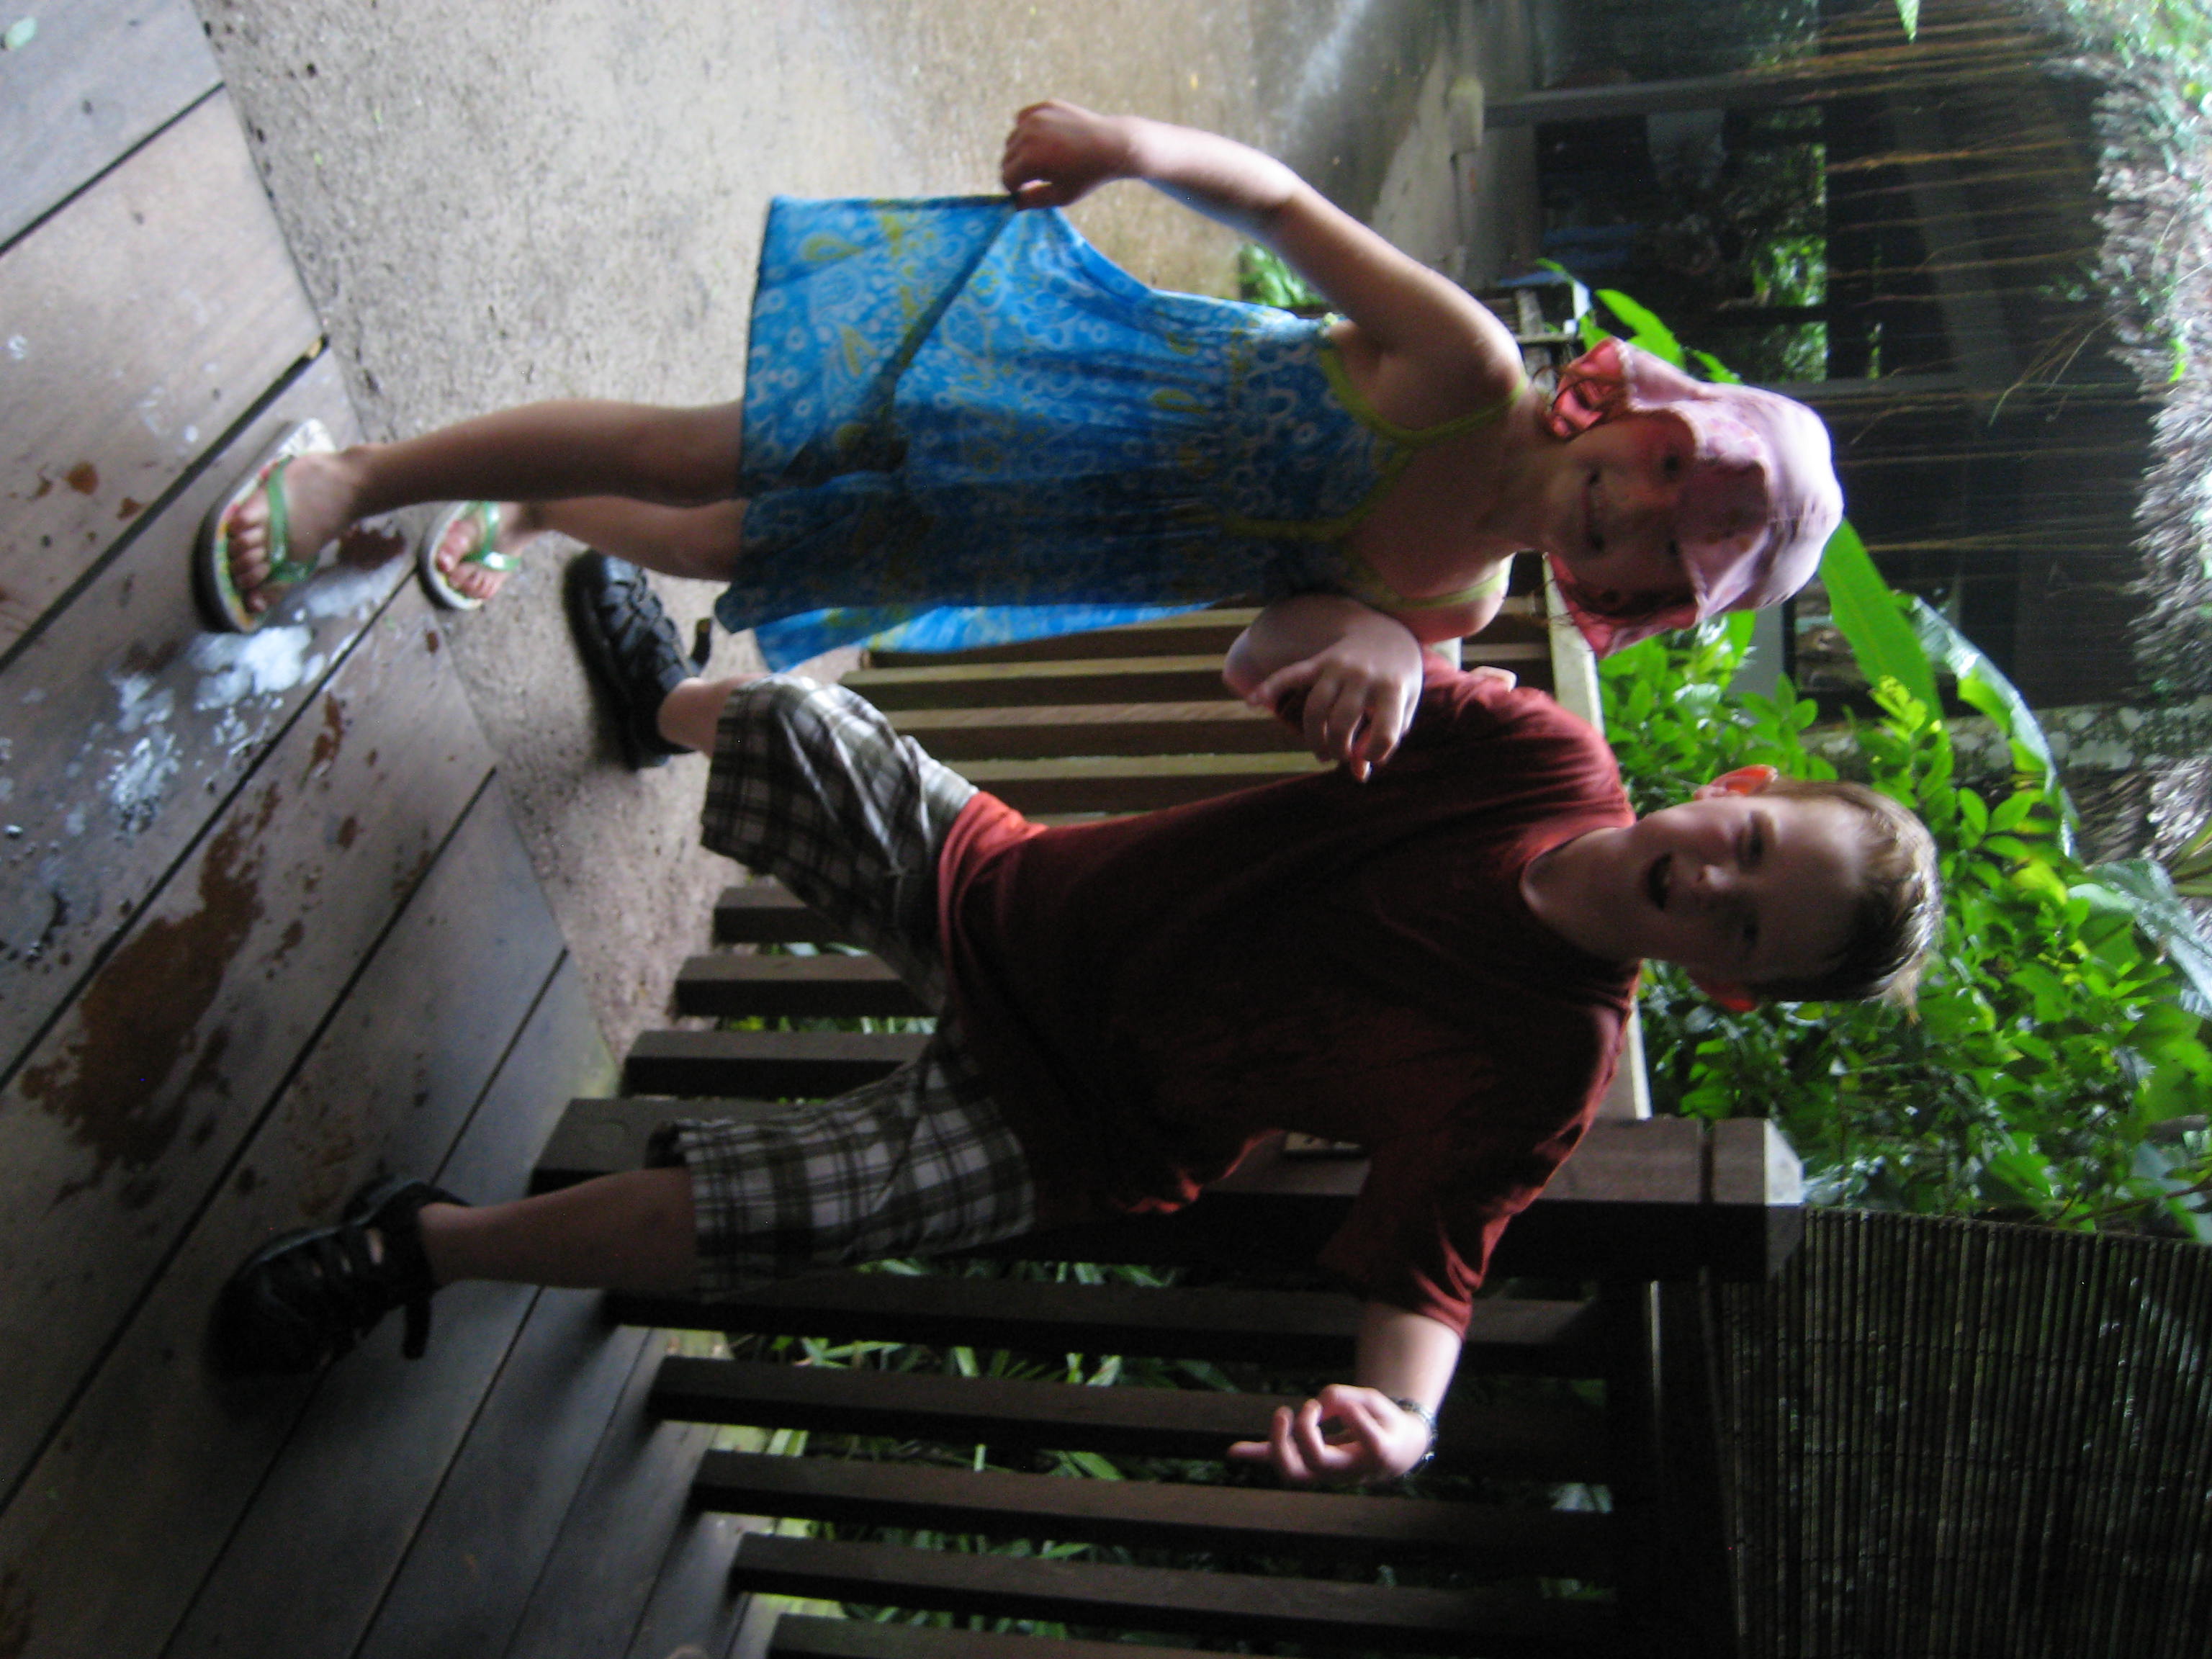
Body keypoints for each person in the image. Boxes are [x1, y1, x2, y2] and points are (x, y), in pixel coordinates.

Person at [214, 567, 1941, 1485]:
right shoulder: (1540, 762)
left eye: (1748, 928)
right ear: (1740, 786)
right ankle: (663, 704)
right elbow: (1281, 645)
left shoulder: (1545, 1065)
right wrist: (1366, 643)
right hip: (1016, 899)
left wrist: (1401, 1424)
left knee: (778, 1207)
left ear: (1729, 983)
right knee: (805, 726)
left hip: (1075, 1122)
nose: (1716, 884)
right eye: (1751, 847)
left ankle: (419, 1250)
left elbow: (1436, 1267)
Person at [200, 102, 1843, 670]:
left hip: (1025, 544)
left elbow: (1262, 653)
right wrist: (1131, 150)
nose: (1634, 515)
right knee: (699, 452)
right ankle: (361, 477)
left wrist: (1374, 665)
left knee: (712, 550)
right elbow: (1283, 206)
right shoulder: (1464, 368)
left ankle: (547, 506)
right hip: (1030, 393)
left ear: (1634, 599)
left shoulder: (1454, 605)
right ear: (1637, 411)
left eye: (1664, 552)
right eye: (1667, 472)